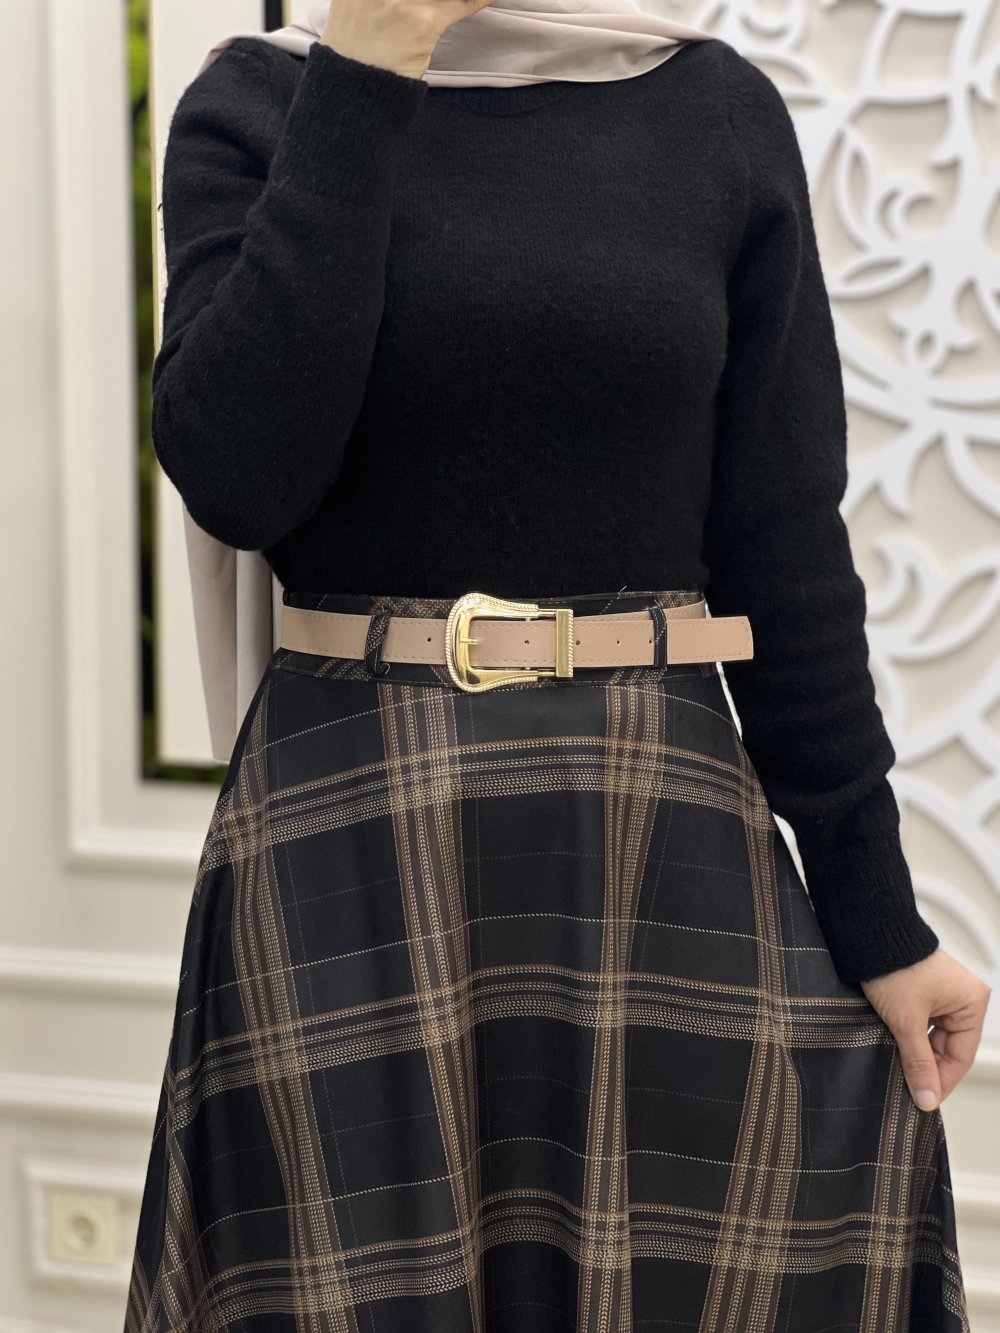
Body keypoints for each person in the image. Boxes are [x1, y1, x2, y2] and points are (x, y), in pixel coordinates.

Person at [124, 2, 988, 1329]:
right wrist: (367, 69)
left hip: (660, 826)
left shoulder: (711, 110)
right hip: (351, 826)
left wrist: (880, 918)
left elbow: (784, 550)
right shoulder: (261, 105)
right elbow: (238, 474)